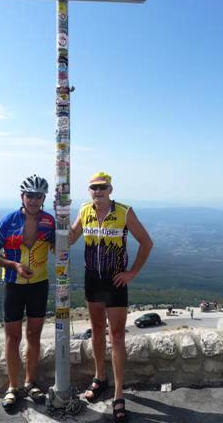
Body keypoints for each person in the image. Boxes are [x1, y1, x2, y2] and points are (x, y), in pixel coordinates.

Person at [69, 172, 153, 423]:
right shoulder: (84, 211)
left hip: (116, 281)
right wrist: (58, 224)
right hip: (92, 279)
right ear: (90, 191)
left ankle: (118, 393)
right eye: (94, 187)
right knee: (96, 330)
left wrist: (132, 273)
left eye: (102, 187)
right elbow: (72, 238)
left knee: (116, 336)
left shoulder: (125, 212)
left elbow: (146, 242)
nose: (98, 191)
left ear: (110, 189)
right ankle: (99, 378)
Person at [0, 175, 55, 412]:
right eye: (30, 195)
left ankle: (30, 382)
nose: (34, 200)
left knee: (34, 335)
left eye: (38, 196)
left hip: (39, 284)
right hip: (13, 285)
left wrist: (67, 229)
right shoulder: (9, 221)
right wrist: (13, 265)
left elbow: (60, 248)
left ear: (44, 198)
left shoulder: (49, 221)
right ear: (22, 196)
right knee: (12, 338)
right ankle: (12, 387)